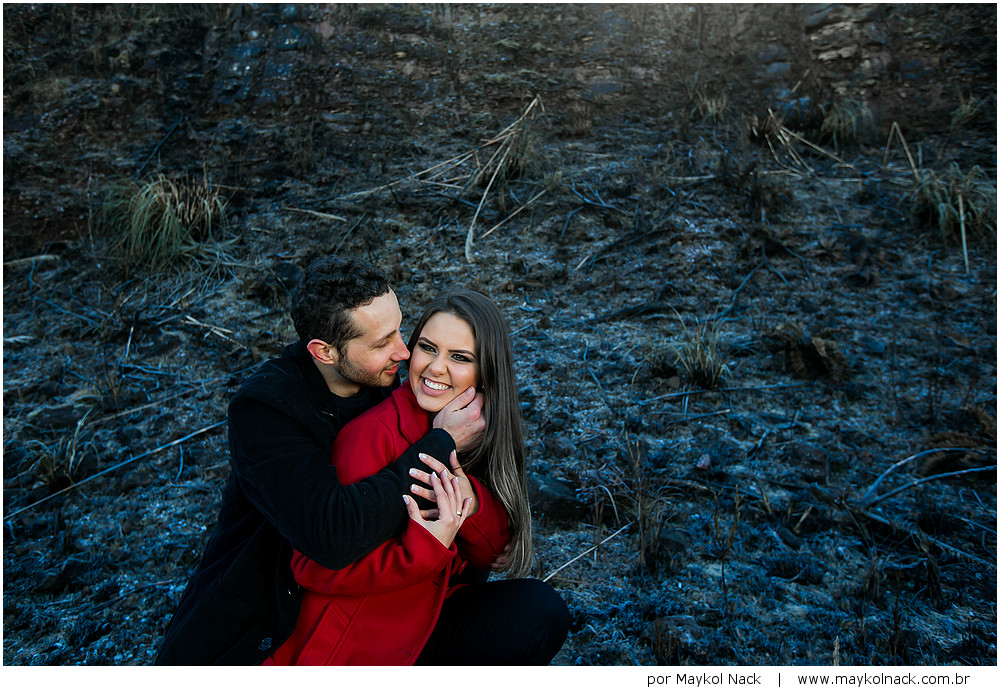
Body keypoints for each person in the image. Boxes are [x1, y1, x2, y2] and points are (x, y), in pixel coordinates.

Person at [155, 257, 486, 665]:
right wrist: (442, 443)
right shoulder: (267, 409)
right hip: (260, 627)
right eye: (382, 342)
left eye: (400, 329)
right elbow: (332, 533)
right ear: (324, 352)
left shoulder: (381, 380)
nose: (404, 351)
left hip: (362, 609)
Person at [264, 290, 569, 666]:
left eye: (459, 357)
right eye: (428, 347)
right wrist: (422, 548)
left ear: (487, 373)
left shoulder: (477, 431)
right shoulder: (373, 434)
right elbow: (313, 567)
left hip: (425, 619)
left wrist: (469, 497)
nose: (435, 368)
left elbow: (496, 552)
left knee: (538, 611)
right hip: (357, 643)